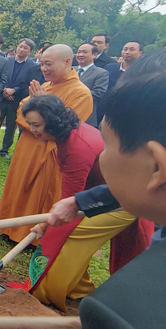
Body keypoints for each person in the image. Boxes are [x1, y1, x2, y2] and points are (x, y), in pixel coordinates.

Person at [41, 67, 166, 329]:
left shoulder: (134, 325)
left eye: (107, 144)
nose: (101, 150)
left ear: (155, 167)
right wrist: (77, 202)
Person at [19, 95, 149, 312]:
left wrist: (45, 226)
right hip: (100, 194)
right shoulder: (67, 134)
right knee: (67, 232)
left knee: (72, 236)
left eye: (36, 125)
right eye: (30, 124)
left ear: (52, 121)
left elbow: (71, 197)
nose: (32, 129)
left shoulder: (76, 147)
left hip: (121, 201)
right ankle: (80, 289)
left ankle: (48, 292)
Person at [0, 44, 93, 243]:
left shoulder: (80, 93)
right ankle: (9, 228)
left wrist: (41, 105)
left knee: (39, 192)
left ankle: (30, 236)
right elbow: (22, 112)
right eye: (42, 64)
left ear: (67, 62)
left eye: (48, 64)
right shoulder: (46, 86)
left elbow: (66, 126)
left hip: (49, 152)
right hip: (27, 148)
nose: (44, 69)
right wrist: (35, 116)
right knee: (19, 186)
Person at [0, 39, 42, 158]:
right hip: (2, 96)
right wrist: (4, 90)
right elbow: (1, 77)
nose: (21, 50)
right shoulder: (6, 61)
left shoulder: (32, 66)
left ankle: (4, 149)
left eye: (25, 48)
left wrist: (14, 90)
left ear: (30, 51)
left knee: (11, 126)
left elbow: (28, 83)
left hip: (17, 100)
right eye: (20, 46)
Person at [75, 42, 109, 126]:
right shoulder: (70, 70)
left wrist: (74, 92)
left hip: (86, 118)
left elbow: (98, 93)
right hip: (66, 115)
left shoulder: (101, 73)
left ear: (94, 55)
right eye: (79, 52)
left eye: (84, 52)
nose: (80, 55)